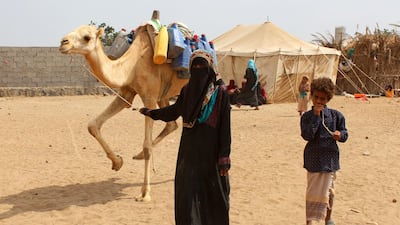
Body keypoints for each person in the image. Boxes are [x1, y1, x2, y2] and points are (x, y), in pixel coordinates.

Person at [139, 49, 231, 225]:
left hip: (211, 155)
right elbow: (173, 111)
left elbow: (225, 128)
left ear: (210, 68)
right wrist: (152, 112)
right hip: (188, 154)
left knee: (213, 196)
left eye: (202, 66)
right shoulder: (187, 90)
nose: (198, 69)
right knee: (187, 196)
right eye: (194, 66)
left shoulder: (220, 93)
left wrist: (224, 157)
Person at [300, 77, 349, 225]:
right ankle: (310, 221)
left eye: (323, 98)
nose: (319, 101)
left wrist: (340, 135)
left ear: (328, 99)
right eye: (316, 97)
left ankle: (328, 218)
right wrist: (315, 117)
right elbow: (306, 135)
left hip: (330, 160)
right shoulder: (307, 117)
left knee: (329, 191)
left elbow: (345, 134)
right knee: (313, 193)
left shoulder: (336, 116)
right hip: (313, 160)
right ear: (311, 96)